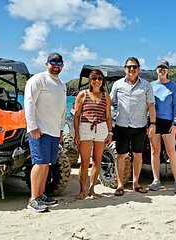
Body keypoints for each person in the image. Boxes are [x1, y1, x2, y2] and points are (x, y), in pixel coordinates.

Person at [24, 52, 66, 212]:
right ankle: (33, 199)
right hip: (39, 130)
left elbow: (62, 109)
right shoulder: (38, 79)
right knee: (39, 163)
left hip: (54, 131)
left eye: (59, 63)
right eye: (53, 62)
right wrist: (32, 126)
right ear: (46, 63)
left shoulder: (61, 85)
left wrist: (61, 129)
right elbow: (29, 102)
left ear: (63, 65)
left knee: (47, 164)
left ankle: (41, 194)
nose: (56, 65)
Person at [110, 57, 156, 196]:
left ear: (138, 69)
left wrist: (153, 124)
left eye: (134, 67)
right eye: (129, 67)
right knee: (121, 155)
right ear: (125, 68)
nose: (131, 69)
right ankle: (120, 185)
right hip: (122, 125)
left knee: (138, 155)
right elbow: (110, 102)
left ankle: (136, 183)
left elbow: (151, 106)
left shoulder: (146, 85)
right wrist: (110, 119)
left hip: (140, 126)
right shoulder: (117, 85)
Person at [73, 69, 113, 200]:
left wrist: (110, 131)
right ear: (90, 81)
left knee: (97, 162)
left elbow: (108, 116)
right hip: (85, 128)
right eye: (94, 78)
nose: (97, 81)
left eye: (100, 79)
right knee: (84, 163)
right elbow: (77, 115)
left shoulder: (106, 96)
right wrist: (77, 134)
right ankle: (81, 190)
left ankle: (92, 189)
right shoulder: (83, 94)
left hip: (101, 128)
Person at [149, 60, 176, 193]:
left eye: (165, 68)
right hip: (154, 121)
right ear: (156, 70)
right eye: (160, 67)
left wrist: (175, 123)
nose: (162, 70)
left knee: (171, 151)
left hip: (168, 121)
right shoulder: (150, 86)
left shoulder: (173, 86)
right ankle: (156, 180)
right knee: (154, 150)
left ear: (168, 70)